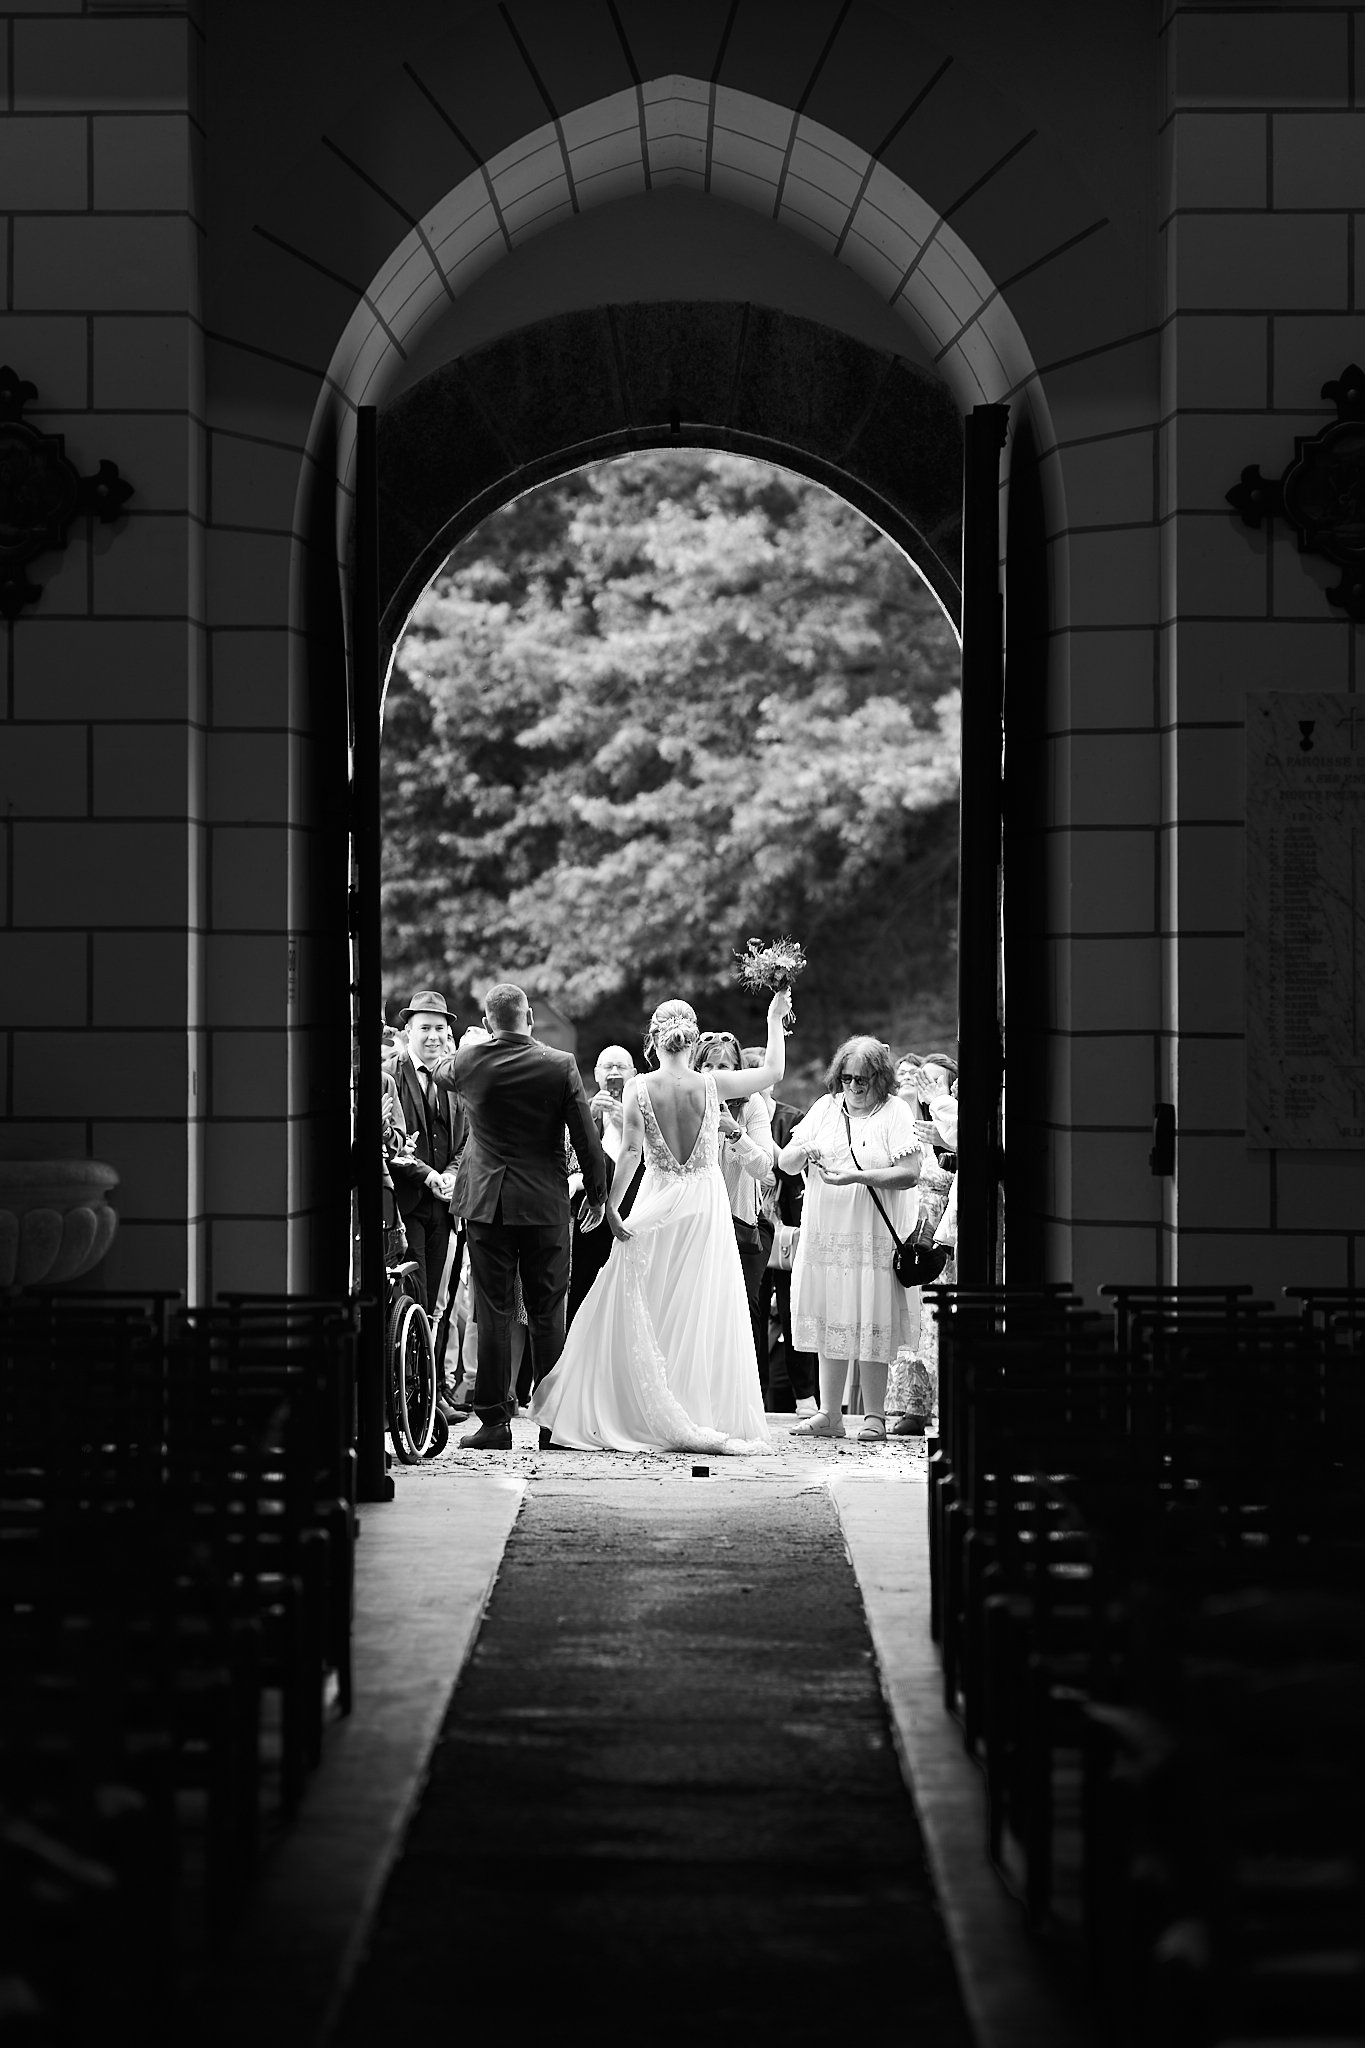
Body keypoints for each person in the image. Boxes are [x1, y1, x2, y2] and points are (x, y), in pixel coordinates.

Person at [530, 987, 792, 1455]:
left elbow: (630, 1152)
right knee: (699, 1305)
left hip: (658, 1199)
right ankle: (694, 1406)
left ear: (652, 1040)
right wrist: (774, 1017)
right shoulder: (712, 1086)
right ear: (693, 1040)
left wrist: (609, 1205)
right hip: (705, 1205)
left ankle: (643, 1407)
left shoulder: (638, 1088)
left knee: (649, 1301)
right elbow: (773, 1071)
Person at [429, 983, 608, 1451]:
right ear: (529, 1018)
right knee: (549, 1311)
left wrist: (472, 1044)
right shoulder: (559, 1064)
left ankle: (494, 1423)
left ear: (488, 1022)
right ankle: (554, 1424)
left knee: (493, 1311)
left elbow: (440, 1069)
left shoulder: (469, 1061)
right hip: (544, 1204)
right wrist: (596, 1195)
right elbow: (587, 1138)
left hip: (487, 1205)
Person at [776, 1036, 922, 1442]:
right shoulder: (826, 1108)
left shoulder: (895, 1112)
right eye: (846, 1078)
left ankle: (874, 1415)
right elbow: (786, 1163)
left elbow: (910, 1173)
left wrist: (858, 1177)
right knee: (832, 1317)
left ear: (881, 1078)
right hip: (827, 1236)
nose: (854, 1086)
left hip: (871, 1236)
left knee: (872, 1319)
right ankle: (830, 1415)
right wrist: (803, 1150)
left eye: (863, 1079)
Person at [692, 1030, 774, 1383]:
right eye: (707, 1065)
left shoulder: (751, 1104)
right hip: (697, 1226)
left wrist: (734, 1132)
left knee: (743, 1307)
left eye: (723, 1066)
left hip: (742, 1225)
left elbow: (765, 1167)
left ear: (737, 1070)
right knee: (699, 1310)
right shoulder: (687, 1103)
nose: (714, 1074)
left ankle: (746, 1389)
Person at [744, 1045, 819, 1412]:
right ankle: (753, 1396)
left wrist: (765, 1142)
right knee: (753, 1313)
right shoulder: (732, 1117)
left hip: (789, 1229)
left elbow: (794, 1171)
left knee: (794, 1311)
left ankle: (806, 1396)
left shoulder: (793, 1119)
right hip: (752, 1228)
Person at [383, 990, 464, 1316]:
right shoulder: (389, 1074)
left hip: (445, 1206)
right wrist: (427, 1174)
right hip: (405, 1202)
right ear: (408, 1032)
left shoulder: (457, 1076)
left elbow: (467, 1138)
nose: (433, 1036)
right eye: (425, 1028)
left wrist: (452, 1174)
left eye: (439, 1029)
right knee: (411, 1295)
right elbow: (388, 1141)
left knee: (434, 1300)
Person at [566, 1044, 643, 1328]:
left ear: (633, 1074)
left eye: (621, 1067)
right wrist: (588, 1117)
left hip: (630, 1211)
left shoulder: (644, 1111)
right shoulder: (582, 1109)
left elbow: (651, 1162)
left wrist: (628, 1127)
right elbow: (569, 1156)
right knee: (582, 1285)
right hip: (587, 1212)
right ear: (597, 1074)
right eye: (608, 1067)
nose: (614, 1072)